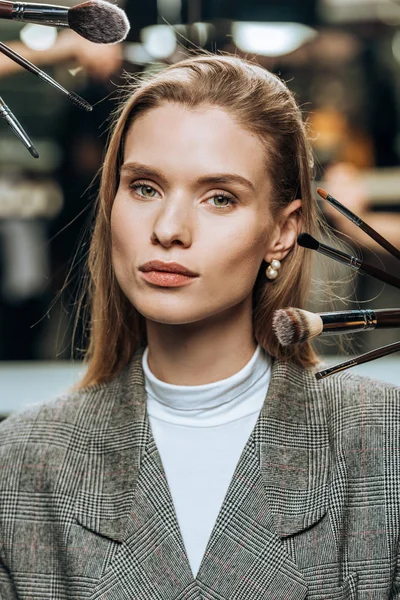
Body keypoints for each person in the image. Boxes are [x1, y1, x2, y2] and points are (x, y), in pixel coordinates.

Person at [0, 53, 399, 600]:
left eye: (220, 198)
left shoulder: (383, 443)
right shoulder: (22, 460)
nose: (168, 229)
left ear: (283, 231)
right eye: (144, 188)